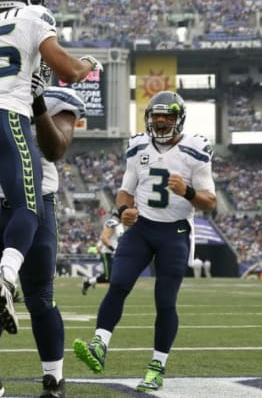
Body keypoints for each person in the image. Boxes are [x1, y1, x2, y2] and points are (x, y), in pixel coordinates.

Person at [0, 0, 102, 345]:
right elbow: (70, 71)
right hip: (7, 116)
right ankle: (6, 275)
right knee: (28, 208)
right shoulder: (33, 16)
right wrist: (89, 61)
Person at [0, 43, 86, 397]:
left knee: (39, 298)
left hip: (37, 206)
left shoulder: (56, 98)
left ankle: (53, 380)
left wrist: (36, 99)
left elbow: (56, 148)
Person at [72, 91, 217, 393]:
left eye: (168, 117)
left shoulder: (195, 150)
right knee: (119, 283)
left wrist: (188, 192)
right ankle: (100, 343)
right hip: (140, 228)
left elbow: (210, 202)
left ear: (179, 120)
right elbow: (125, 190)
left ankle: (157, 367)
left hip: (174, 232)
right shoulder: (138, 146)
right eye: (156, 116)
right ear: (148, 119)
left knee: (165, 302)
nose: (161, 122)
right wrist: (123, 211)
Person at [82, 213, 124, 295]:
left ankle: (90, 281)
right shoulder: (113, 222)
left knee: (115, 276)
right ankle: (88, 282)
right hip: (108, 253)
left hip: (114, 254)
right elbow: (104, 238)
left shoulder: (119, 225)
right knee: (108, 277)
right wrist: (113, 249)